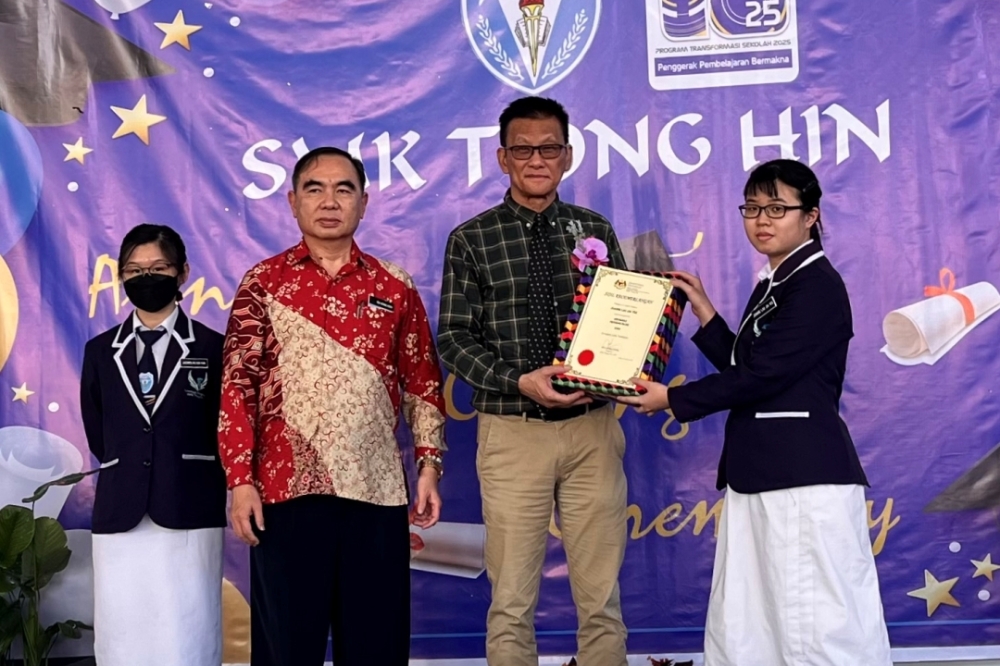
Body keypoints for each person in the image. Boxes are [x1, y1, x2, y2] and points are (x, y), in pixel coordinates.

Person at [619, 159, 892, 665]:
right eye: (752, 208)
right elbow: (750, 364)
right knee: (753, 616)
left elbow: (764, 375)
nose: (762, 219)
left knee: (815, 619)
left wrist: (672, 400)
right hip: (762, 471)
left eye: (777, 208)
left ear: (811, 216)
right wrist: (704, 311)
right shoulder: (776, 281)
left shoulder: (816, 286)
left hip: (801, 475)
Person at [218, 146, 447, 666]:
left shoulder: (394, 285)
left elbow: (422, 383)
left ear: (363, 202)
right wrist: (240, 479)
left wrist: (429, 465)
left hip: (376, 492)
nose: (329, 201)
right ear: (293, 202)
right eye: (315, 189)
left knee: (375, 648)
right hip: (285, 492)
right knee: (286, 649)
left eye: (344, 189)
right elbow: (237, 387)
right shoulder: (263, 283)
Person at [438, 96, 629, 666]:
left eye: (549, 148)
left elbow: (624, 320)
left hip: (593, 429)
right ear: (503, 158)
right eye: (523, 150)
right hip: (513, 430)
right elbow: (453, 338)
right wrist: (518, 381)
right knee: (511, 602)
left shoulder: (594, 229)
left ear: (567, 155)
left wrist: (619, 372)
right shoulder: (472, 238)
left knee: (602, 600)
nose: (537, 159)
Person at [80, 223, 227, 666]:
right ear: (121, 277)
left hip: (188, 506)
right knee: (123, 632)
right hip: (121, 507)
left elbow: (224, 427)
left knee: (188, 632)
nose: (146, 277)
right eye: (134, 270)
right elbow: (98, 430)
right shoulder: (100, 351)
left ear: (182, 273)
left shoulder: (214, 347)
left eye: (158, 268)